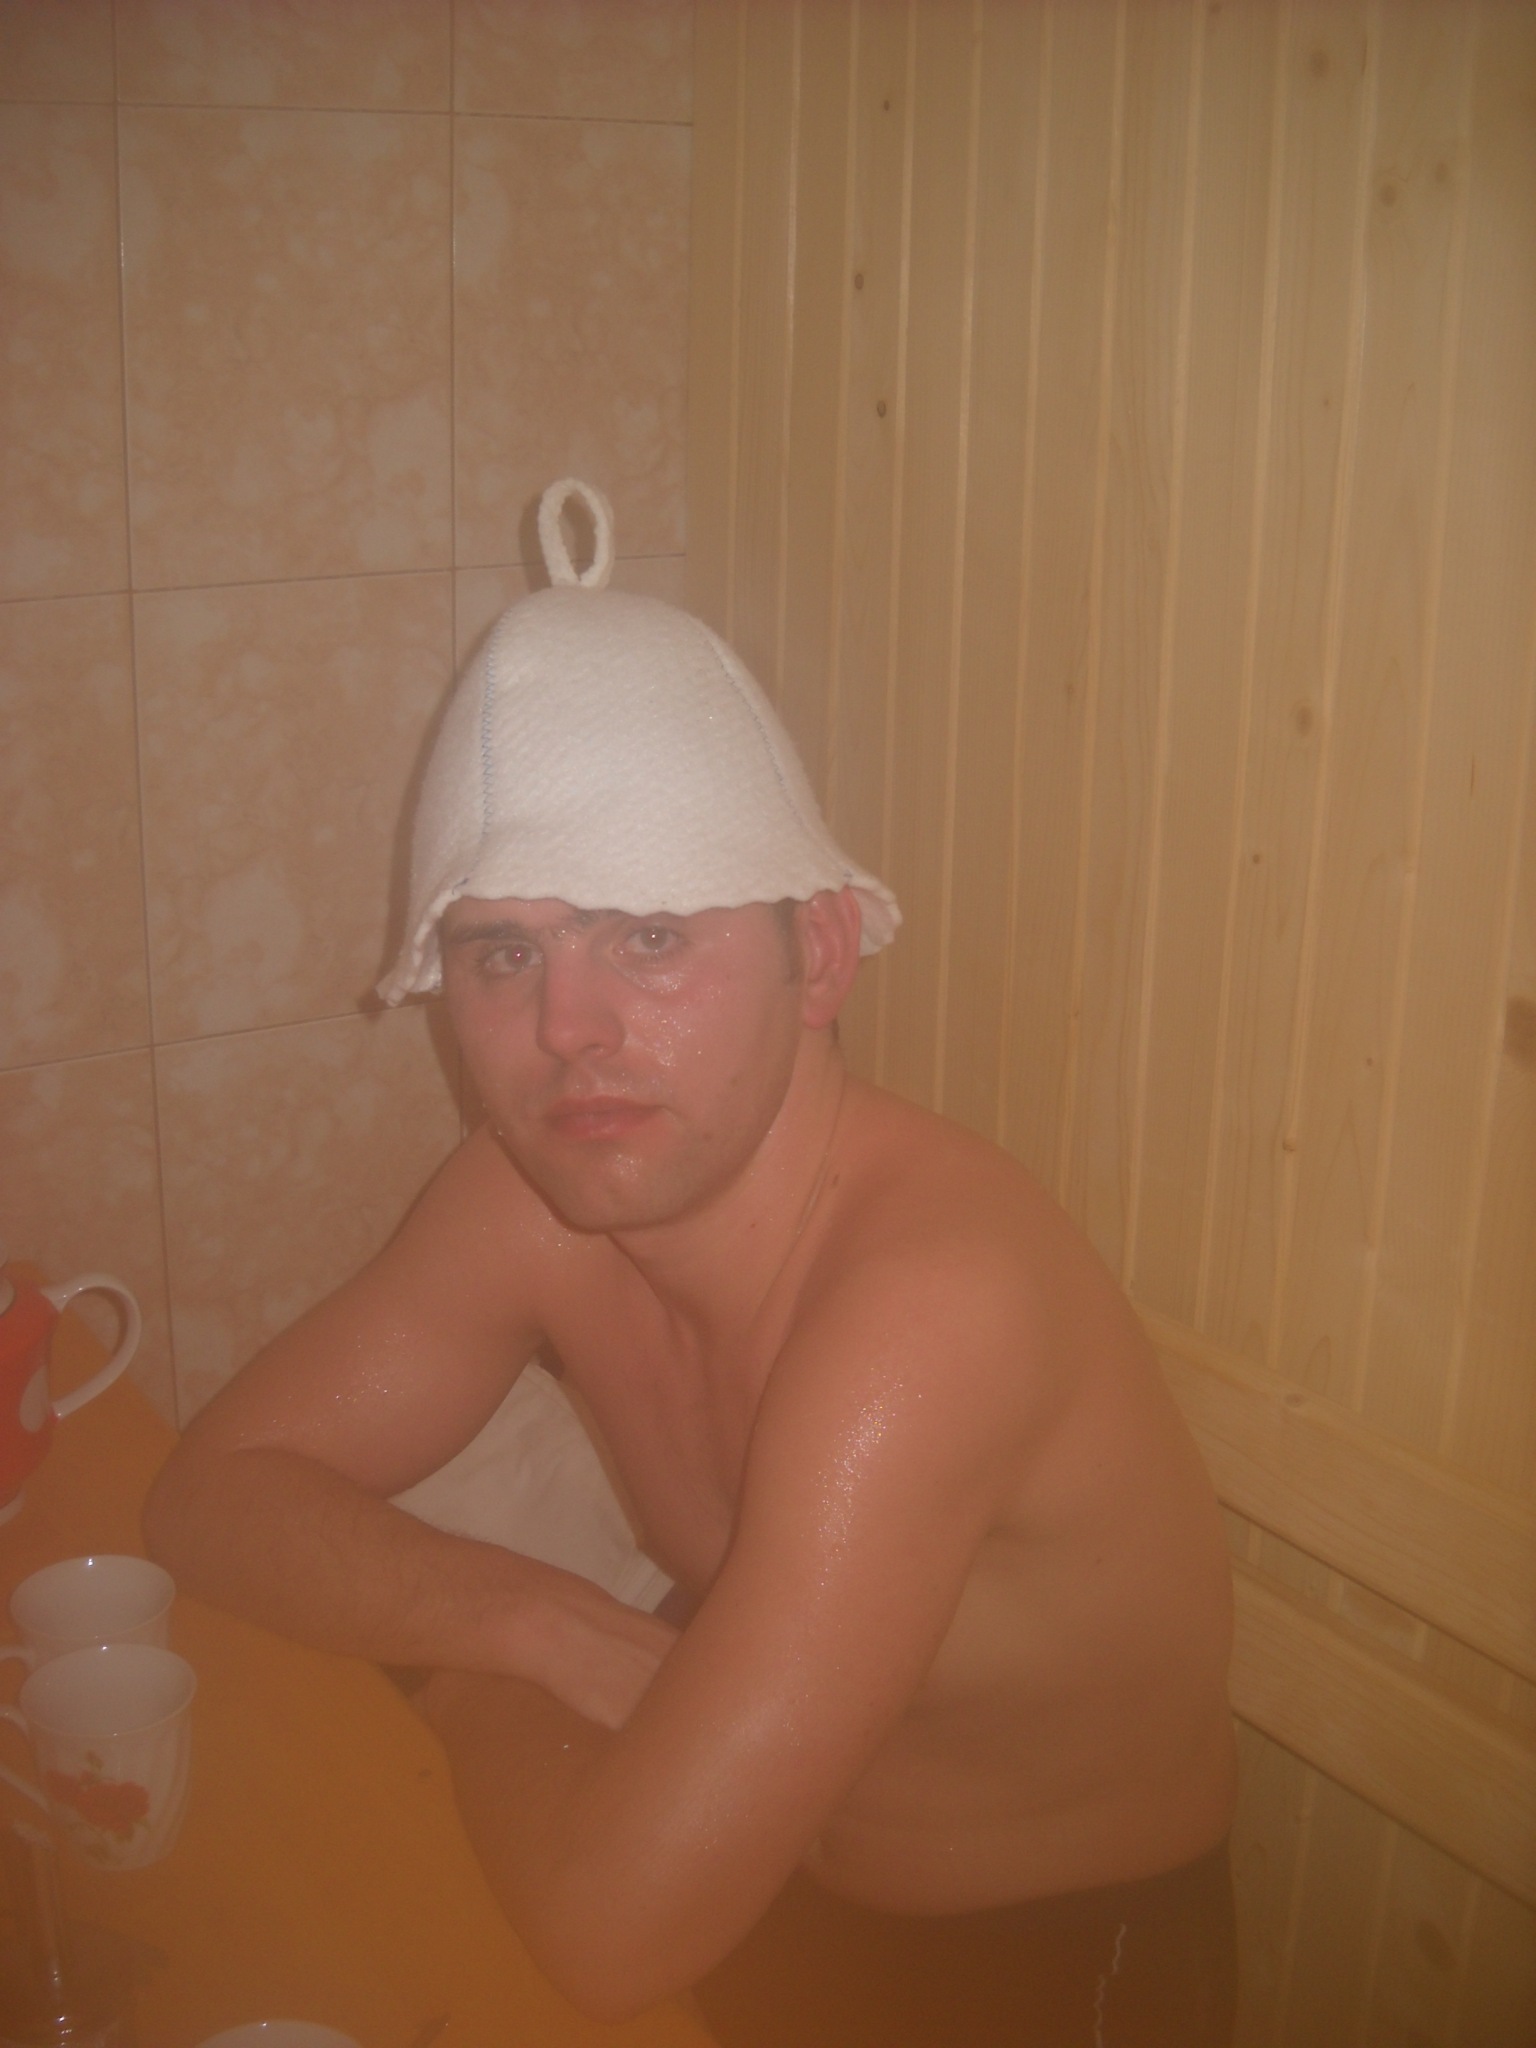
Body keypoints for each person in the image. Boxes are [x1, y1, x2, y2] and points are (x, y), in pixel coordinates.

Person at [145, 481, 1238, 2046]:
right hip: (759, 1876)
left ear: (820, 955)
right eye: (503, 953)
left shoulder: (931, 1315)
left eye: (647, 938)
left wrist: (471, 1680)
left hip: (1034, 1967)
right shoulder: (535, 1192)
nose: (566, 1030)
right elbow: (208, 1496)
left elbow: (614, 1931)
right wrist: (531, 1619)